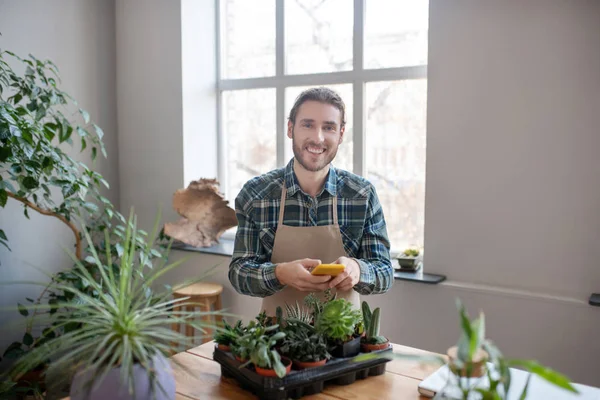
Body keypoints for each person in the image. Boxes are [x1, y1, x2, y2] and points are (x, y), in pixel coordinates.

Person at [228, 87, 393, 316]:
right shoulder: (256, 195)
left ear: (341, 134)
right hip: (275, 342)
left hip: (345, 341)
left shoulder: (362, 195)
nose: (318, 138)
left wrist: (357, 269)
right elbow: (239, 273)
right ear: (290, 128)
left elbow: (384, 272)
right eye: (307, 124)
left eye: (329, 127)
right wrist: (280, 274)